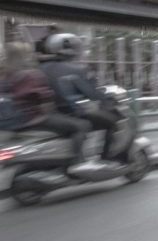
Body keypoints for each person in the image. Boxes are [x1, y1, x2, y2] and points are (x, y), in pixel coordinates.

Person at [1, 42, 90, 163]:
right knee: (81, 125)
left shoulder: (4, 74)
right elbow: (45, 103)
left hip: (7, 123)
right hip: (30, 120)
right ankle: (77, 162)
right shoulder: (32, 75)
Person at [38, 34, 121, 162]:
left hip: (51, 115)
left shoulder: (41, 68)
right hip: (71, 113)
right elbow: (92, 93)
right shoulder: (78, 70)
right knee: (111, 122)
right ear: (75, 50)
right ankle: (105, 158)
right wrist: (108, 100)